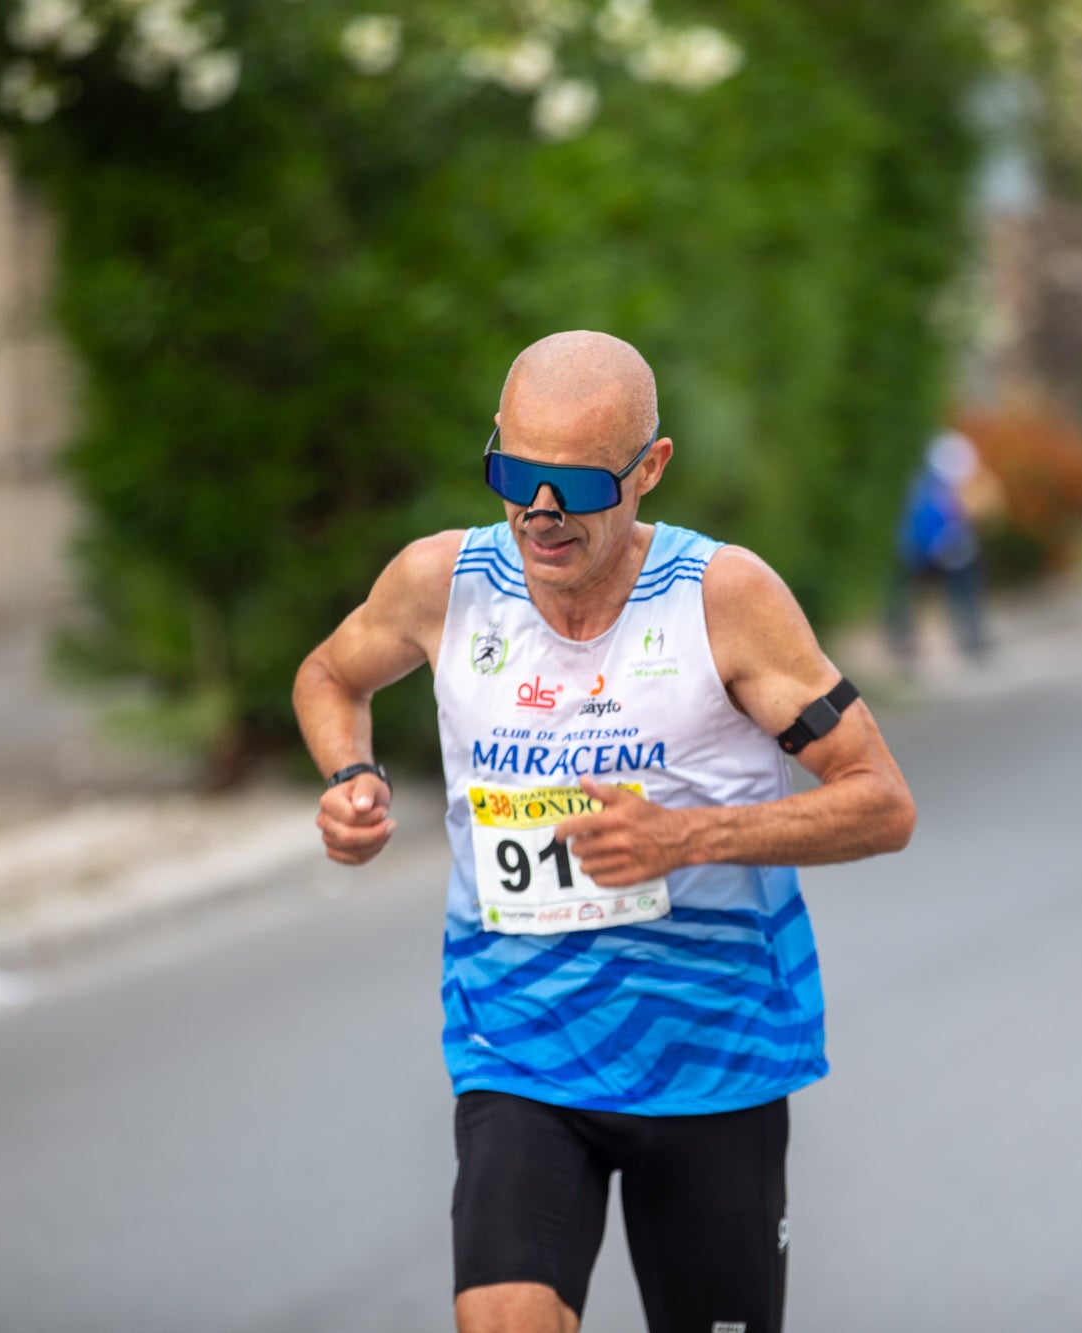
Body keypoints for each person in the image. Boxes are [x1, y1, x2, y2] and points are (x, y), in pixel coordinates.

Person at [291, 331, 915, 1333]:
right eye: (513, 473)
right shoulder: (440, 583)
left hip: (713, 1058)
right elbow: (329, 673)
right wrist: (350, 776)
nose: (538, 511)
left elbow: (880, 802)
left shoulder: (723, 601)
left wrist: (687, 840)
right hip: (519, 1046)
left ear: (649, 467)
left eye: (574, 486)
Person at [888, 427, 1004, 671]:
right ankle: (904, 642)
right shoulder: (926, 489)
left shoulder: (951, 486)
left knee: (964, 588)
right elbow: (918, 530)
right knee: (906, 596)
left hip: (950, 554)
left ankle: (972, 639)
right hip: (920, 555)